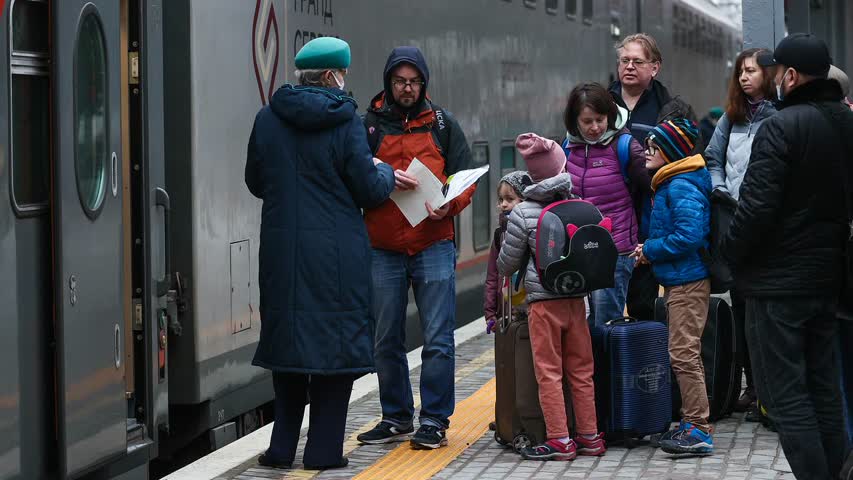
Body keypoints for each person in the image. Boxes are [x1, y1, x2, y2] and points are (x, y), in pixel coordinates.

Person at [245, 37, 395, 470]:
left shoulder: (266, 119)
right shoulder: (345, 121)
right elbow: (368, 188)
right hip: (335, 256)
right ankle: (323, 451)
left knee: (289, 348)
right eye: (342, 73)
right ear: (333, 76)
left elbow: (256, 180)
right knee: (334, 351)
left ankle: (281, 450)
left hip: (281, 252)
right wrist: (383, 171)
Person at [720, 33, 852, 479]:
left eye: (774, 72)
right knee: (824, 389)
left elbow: (755, 209)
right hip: (828, 280)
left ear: (790, 76)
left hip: (776, 286)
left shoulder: (782, 125)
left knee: (786, 398)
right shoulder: (846, 122)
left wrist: (730, 257)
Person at [356, 46, 475, 450]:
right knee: (385, 337)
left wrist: (450, 203)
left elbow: (466, 176)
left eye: (414, 82)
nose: (407, 88)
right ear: (388, 82)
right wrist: (384, 175)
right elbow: (353, 174)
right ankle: (396, 416)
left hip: (433, 241)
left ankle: (435, 421)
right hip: (383, 245)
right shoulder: (368, 125)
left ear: (424, 83)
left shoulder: (442, 124)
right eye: (400, 81)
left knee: (439, 336)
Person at [498, 133, 605, 461]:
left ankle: (559, 438)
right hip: (577, 300)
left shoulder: (523, 213)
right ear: (562, 167)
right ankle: (590, 435)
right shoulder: (581, 205)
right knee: (582, 370)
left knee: (549, 371)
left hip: (544, 304)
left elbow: (507, 264)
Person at [631, 118, 713, 455]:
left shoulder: (679, 186)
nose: (646, 153)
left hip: (688, 281)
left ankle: (699, 428)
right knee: (682, 352)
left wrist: (650, 250)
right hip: (680, 279)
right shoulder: (671, 182)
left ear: (670, 151)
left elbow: (689, 235)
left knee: (683, 354)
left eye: (652, 147)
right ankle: (691, 422)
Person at [703, 48, 777, 417]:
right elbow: (712, 158)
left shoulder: (779, 117)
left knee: (763, 309)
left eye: (752, 71)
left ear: (769, 74)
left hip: (766, 225)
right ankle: (751, 385)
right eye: (741, 72)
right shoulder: (731, 119)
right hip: (735, 222)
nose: (745, 78)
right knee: (743, 304)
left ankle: (767, 389)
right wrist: (719, 189)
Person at [609, 33, 698, 321]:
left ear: (655, 67)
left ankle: (643, 359)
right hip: (610, 218)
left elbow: (691, 163)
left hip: (651, 218)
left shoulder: (672, 109)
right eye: (624, 60)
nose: (629, 66)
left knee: (643, 302)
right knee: (605, 304)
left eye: (637, 61)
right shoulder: (600, 105)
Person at [562, 82, 650, 326]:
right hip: (577, 249)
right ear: (574, 121)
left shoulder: (624, 146)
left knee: (605, 322)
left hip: (616, 249)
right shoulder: (567, 148)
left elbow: (653, 189)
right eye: (587, 121)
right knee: (580, 324)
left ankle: (607, 365)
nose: (595, 127)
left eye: (600, 119)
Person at [484, 171, 530, 334]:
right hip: (506, 310)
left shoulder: (532, 231)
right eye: (501, 199)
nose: (503, 204)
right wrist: (490, 313)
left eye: (510, 199)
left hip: (529, 309)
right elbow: (492, 275)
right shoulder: (499, 234)